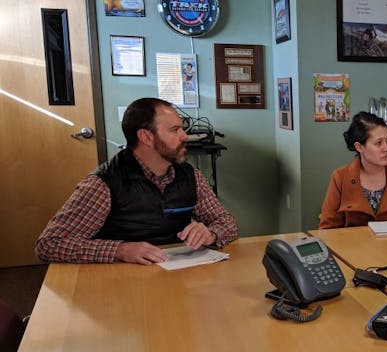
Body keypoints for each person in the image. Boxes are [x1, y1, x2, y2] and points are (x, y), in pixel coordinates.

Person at [36, 98, 238, 265]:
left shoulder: (190, 176)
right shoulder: (104, 183)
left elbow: (227, 222)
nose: (185, 136)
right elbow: (49, 244)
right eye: (174, 130)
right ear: (146, 137)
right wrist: (119, 250)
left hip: (177, 272)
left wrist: (211, 233)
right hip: (121, 281)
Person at [320, 112, 387, 228]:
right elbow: (328, 229)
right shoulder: (340, 177)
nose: (386, 148)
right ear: (359, 147)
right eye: (378, 143)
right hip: (354, 245)